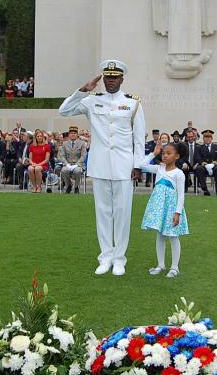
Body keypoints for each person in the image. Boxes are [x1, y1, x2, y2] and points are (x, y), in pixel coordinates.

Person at [59, 59, 146, 276]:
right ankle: (105, 256)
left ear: (122, 79)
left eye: (114, 77)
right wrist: (82, 90)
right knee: (103, 212)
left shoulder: (133, 103)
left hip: (124, 166)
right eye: (107, 77)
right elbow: (64, 111)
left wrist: (137, 165)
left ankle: (119, 258)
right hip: (100, 165)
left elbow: (139, 140)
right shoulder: (91, 101)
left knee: (122, 212)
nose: (110, 81)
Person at [140, 140, 189, 278]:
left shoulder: (179, 174)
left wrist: (177, 213)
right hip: (159, 209)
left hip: (171, 209)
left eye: (169, 153)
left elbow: (181, 196)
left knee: (173, 236)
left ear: (177, 156)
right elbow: (142, 165)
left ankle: (175, 267)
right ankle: (161, 265)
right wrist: (153, 153)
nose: (165, 156)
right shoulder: (159, 169)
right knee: (160, 235)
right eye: (163, 153)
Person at [193, 130, 217, 196]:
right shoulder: (199, 147)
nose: (208, 139)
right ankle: (205, 189)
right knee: (199, 169)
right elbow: (197, 157)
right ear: (203, 139)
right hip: (204, 166)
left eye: (209, 137)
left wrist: (216, 161)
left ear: (212, 138)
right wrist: (202, 162)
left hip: (214, 166)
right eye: (206, 137)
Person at [59, 126, 87, 193]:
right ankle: (68, 185)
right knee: (64, 170)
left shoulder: (82, 143)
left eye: (74, 133)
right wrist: (66, 164)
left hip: (78, 164)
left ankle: (76, 187)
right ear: (69, 134)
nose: (73, 134)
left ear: (77, 134)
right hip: (68, 163)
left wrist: (77, 164)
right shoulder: (65, 143)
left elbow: (83, 156)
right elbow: (62, 156)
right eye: (71, 133)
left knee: (77, 171)